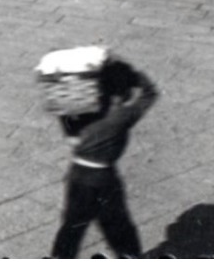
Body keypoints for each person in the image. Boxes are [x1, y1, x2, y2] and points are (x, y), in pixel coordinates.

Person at [40, 48, 159, 259]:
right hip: (103, 179)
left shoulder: (80, 112)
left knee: (72, 226)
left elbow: (62, 112)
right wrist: (131, 72)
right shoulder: (120, 117)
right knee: (119, 226)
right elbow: (150, 93)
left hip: (76, 176)